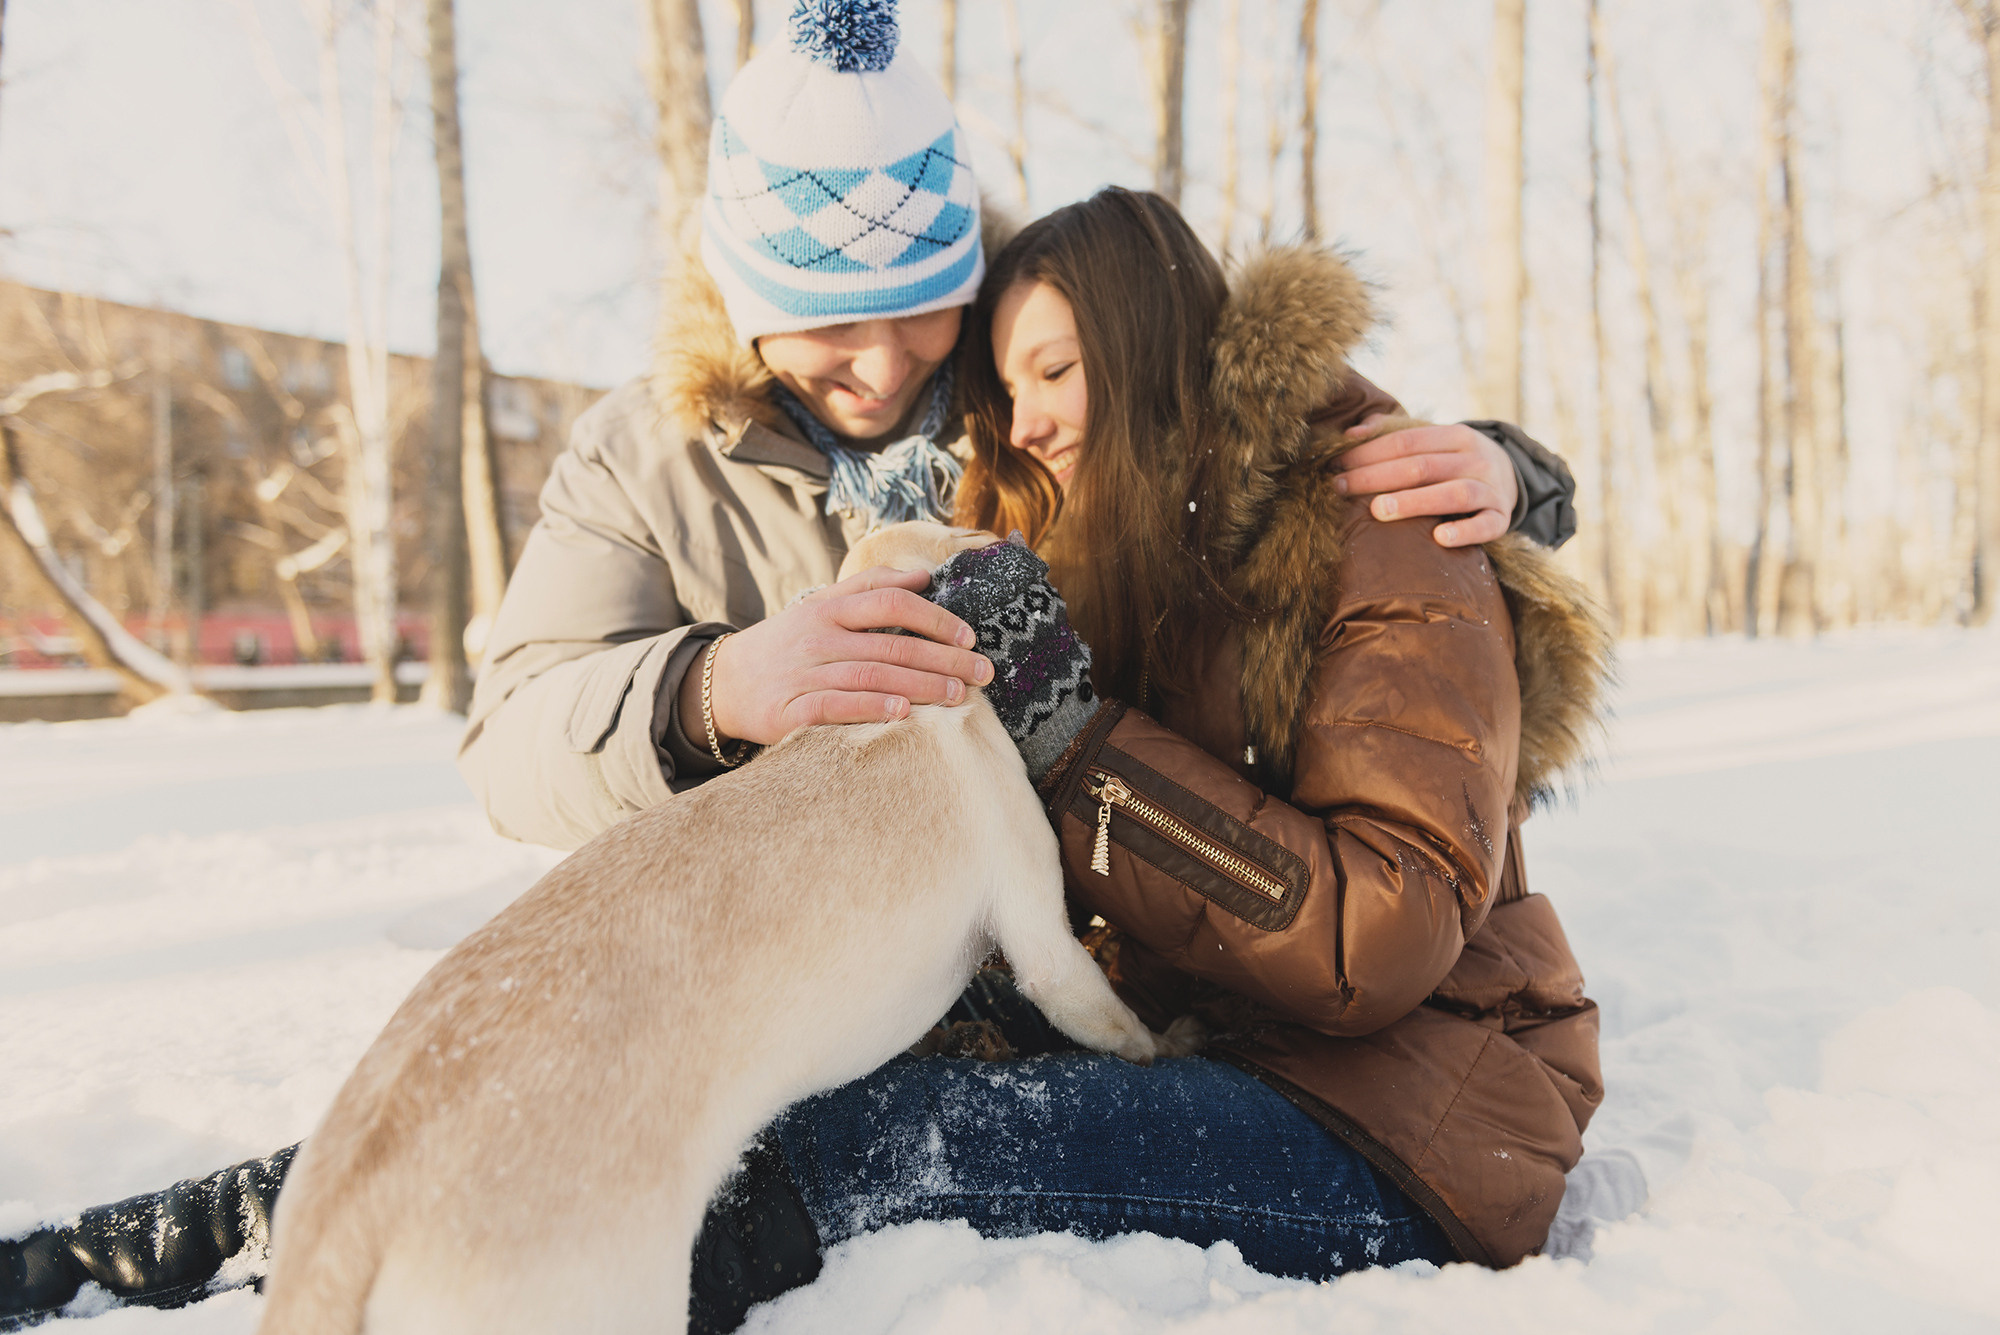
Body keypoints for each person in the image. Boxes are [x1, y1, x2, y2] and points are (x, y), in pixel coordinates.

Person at [0, 3, 1588, 1329]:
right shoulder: (652, 459)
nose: (895, 370)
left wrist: (1506, 480)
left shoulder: (1078, 420)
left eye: (930, 322)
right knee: (487, 1112)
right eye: (833, 335)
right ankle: (162, 1250)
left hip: (1290, 1061)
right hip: (844, 969)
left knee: (779, 1154)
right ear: (750, 310)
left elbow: (1249, 423)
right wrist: (714, 688)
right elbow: (516, 733)